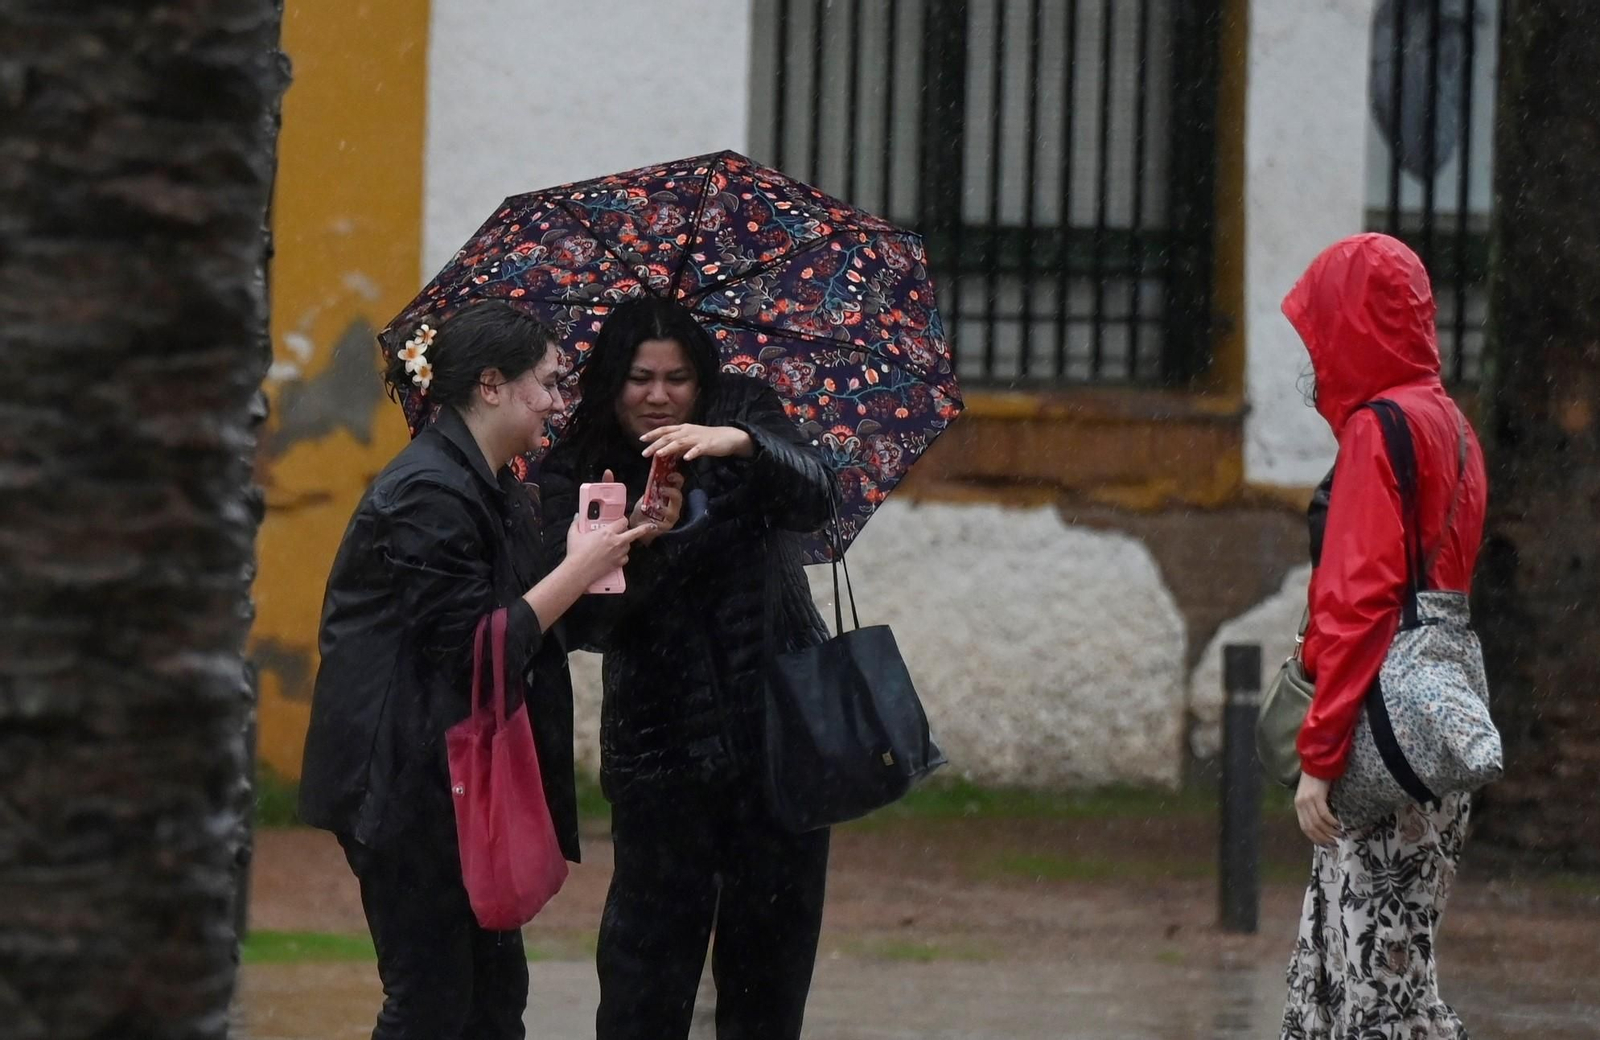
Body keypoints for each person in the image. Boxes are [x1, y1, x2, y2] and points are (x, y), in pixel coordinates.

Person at [297, 301, 654, 1040]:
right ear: (492, 385)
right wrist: (577, 568)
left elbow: (544, 628)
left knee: (494, 1004)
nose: (560, 402)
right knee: (431, 1004)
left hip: (461, 781)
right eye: (549, 383)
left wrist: (627, 545)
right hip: (403, 785)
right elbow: (475, 650)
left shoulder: (490, 484)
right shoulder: (428, 491)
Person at [539, 296, 837, 1040]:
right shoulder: (584, 456)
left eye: (678, 378)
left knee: (768, 968)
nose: (660, 395)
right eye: (641, 377)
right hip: (659, 746)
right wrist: (646, 544)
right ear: (613, 380)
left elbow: (815, 494)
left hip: (776, 735)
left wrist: (739, 442)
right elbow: (584, 621)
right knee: (646, 969)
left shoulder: (743, 410)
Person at [1277, 233, 1488, 1039]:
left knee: (1366, 987)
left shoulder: (1378, 428)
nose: (1316, 353)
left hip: (1380, 720)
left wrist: (1319, 757)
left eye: (1323, 328)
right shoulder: (1452, 426)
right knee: (1380, 965)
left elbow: (1359, 601)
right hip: (1442, 705)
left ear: (1352, 325)